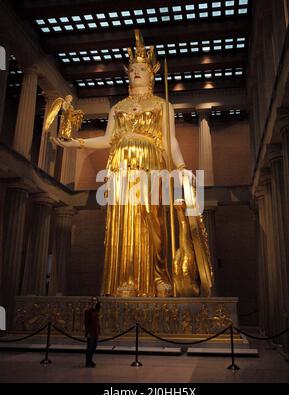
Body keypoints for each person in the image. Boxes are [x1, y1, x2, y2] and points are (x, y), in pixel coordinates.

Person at [51, 30, 213, 298]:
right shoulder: (118, 108)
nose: (136, 72)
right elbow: (107, 140)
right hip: (121, 167)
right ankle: (125, 280)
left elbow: (170, 140)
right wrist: (77, 143)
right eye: (133, 69)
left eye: (141, 68)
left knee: (153, 220)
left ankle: (159, 277)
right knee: (125, 221)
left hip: (151, 164)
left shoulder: (163, 105)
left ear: (152, 75)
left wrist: (182, 168)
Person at [84, 296, 100, 368]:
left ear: (97, 302)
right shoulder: (88, 311)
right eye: (93, 300)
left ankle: (90, 359)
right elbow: (86, 322)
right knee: (89, 346)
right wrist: (87, 332)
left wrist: (99, 329)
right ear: (91, 302)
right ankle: (88, 361)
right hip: (90, 331)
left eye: (95, 300)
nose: (94, 301)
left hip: (95, 331)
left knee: (94, 346)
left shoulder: (96, 310)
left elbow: (97, 321)